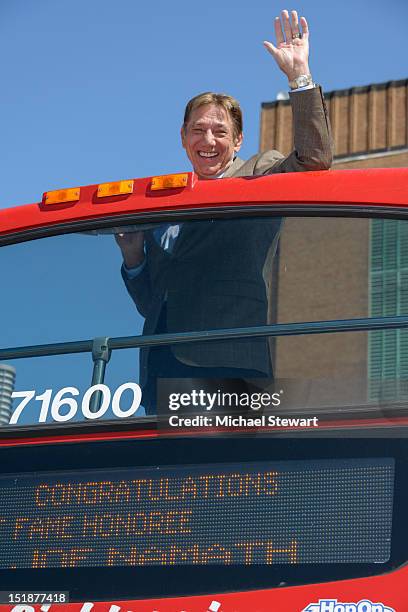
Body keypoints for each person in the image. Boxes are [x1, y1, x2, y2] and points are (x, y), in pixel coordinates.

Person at [116, 10, 333, 414]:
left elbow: (314, 159)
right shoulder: (164, 202)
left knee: (231, 466)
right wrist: (133, 259)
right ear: (183, 138)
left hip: (230, 361)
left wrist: (299, 77)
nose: (208, 140)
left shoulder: (259, 171)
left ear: (238, 142)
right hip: (161, 366)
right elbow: (155, 303)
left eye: (220, 131)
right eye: (198, 130)